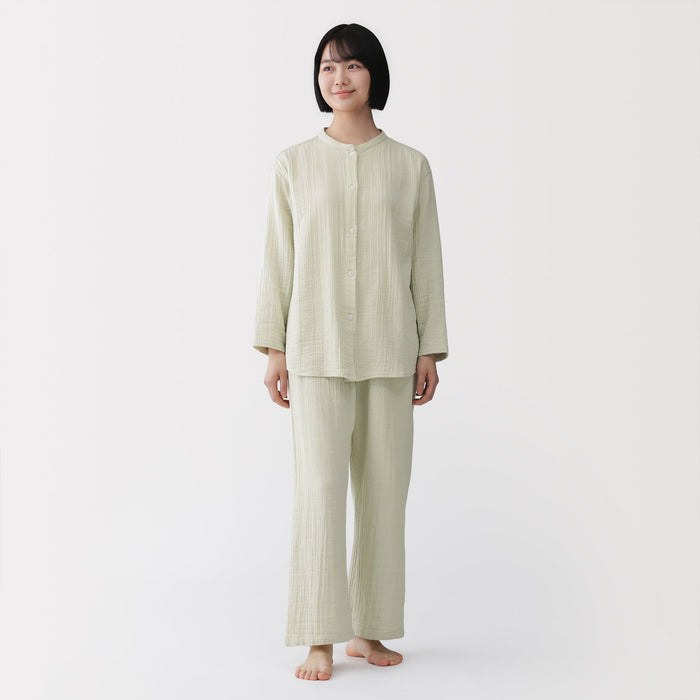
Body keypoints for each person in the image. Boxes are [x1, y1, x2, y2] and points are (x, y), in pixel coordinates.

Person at [253, 23, 448, 681]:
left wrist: (430, 348)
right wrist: (274, 347)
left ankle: (369, 630)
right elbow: (279, 258)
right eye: (328, 68)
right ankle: (319, 638)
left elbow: (426, 262)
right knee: (319, 494)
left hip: (392, 349)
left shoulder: (411, 166)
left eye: (353, 66)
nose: (339, 78)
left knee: (385, 494)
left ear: (374, 75)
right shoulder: (293, 164)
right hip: (314, 351)